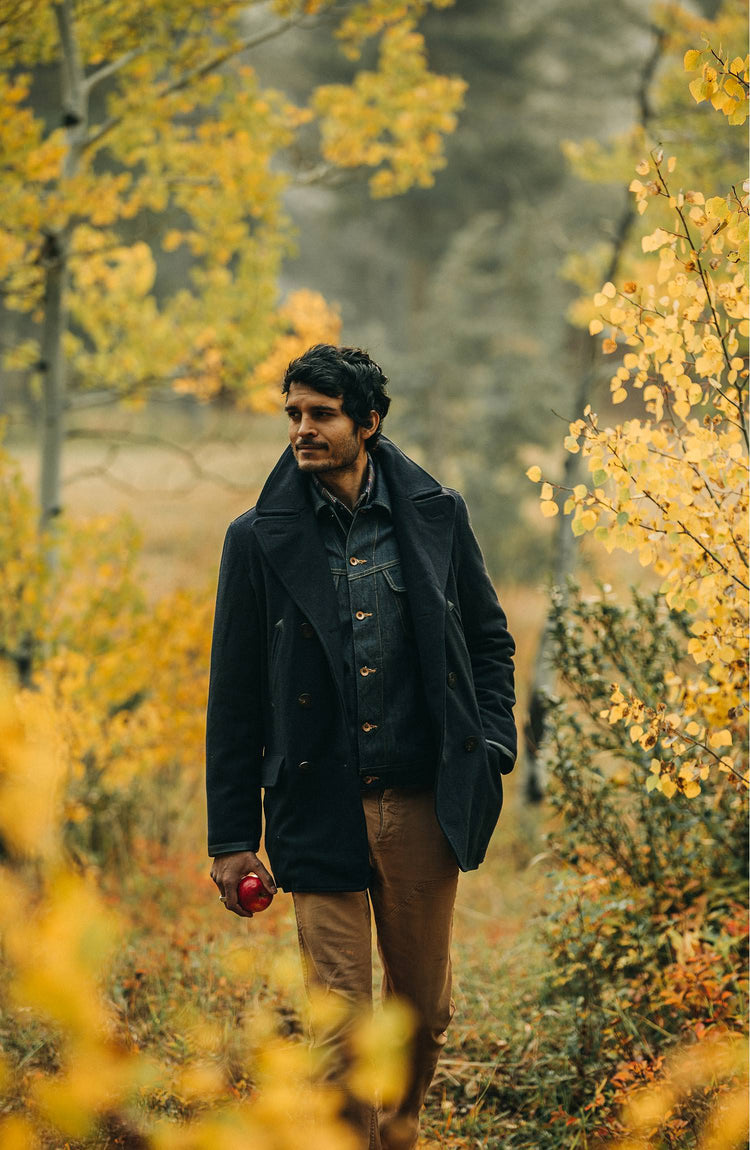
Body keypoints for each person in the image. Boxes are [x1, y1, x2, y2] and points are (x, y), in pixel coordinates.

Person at [206, 344, 516, 1149]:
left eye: (321, 414)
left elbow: (488, 641)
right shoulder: (255, 539)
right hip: (316, 805)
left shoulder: (438, 514)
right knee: (342, 1031)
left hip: (422, 802)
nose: (302, 430)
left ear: (368, 423)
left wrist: (491, 743)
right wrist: (233, 838)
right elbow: (234, 696)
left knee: (422, 1013)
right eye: (294, 414)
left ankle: (400, 1136)